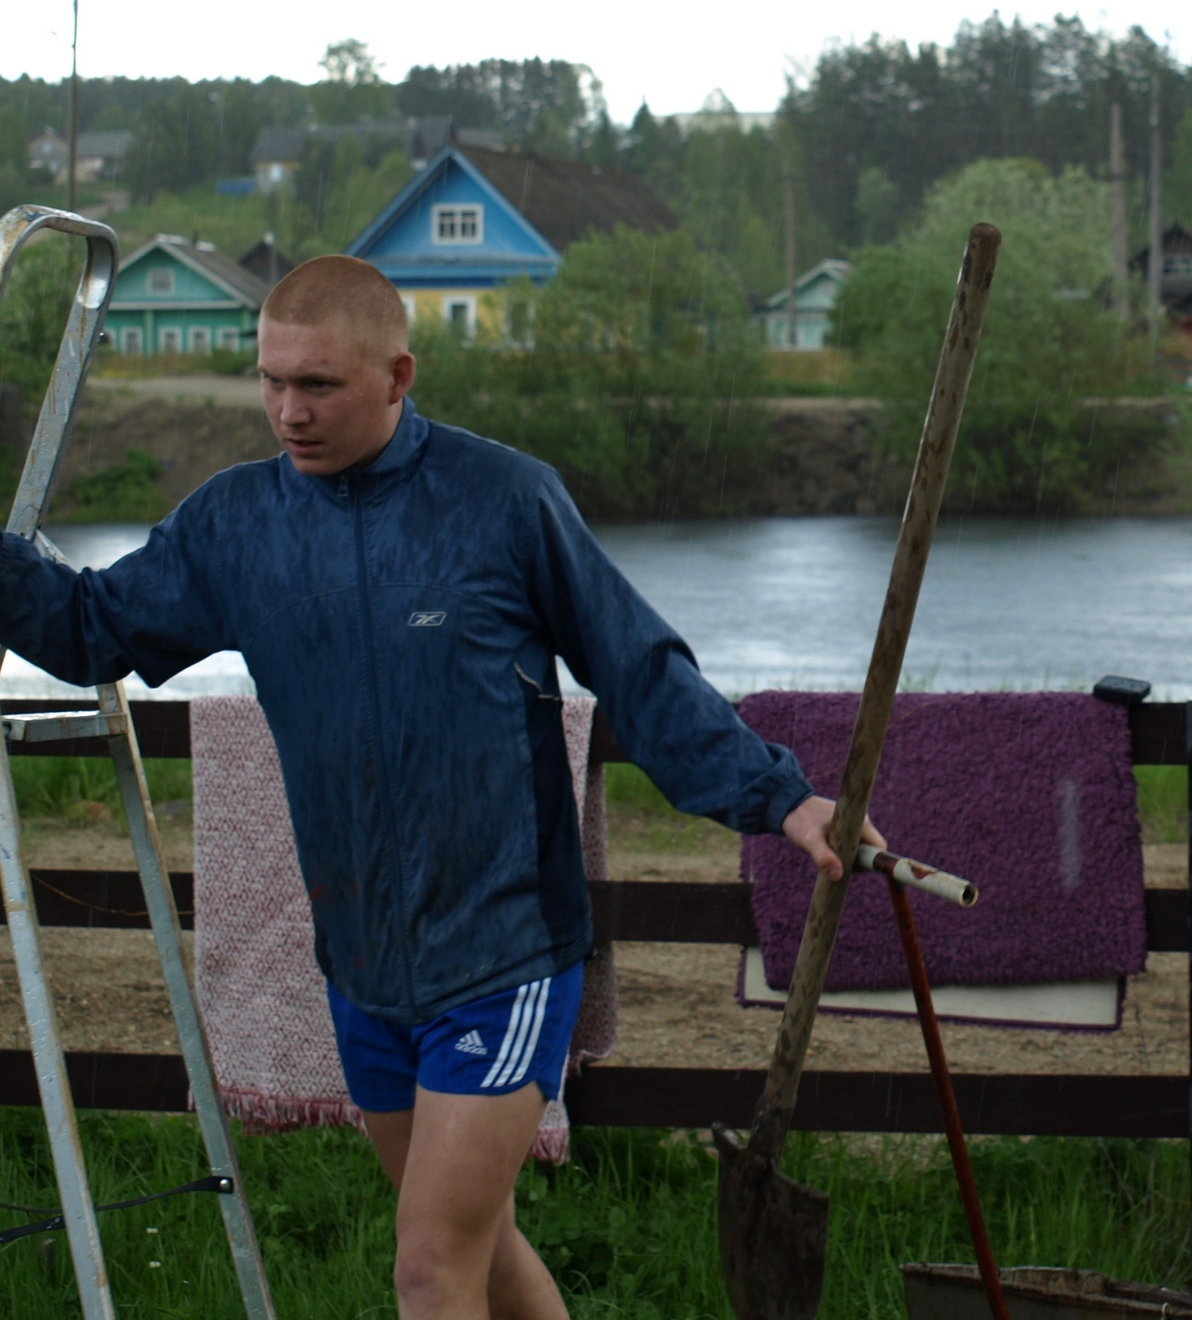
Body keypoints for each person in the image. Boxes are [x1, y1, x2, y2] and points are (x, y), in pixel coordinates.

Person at [0, 255, 883, 1320]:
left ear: (397, 374)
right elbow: (91, 628)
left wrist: (782, 798)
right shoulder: (235, 526)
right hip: (361, 959)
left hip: (500, 950)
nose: (289, 410)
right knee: (478, 1246)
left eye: (318, 385)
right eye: (272, 381)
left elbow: (638, 669)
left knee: (428, 1268)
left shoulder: (505, 502)